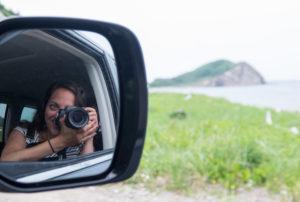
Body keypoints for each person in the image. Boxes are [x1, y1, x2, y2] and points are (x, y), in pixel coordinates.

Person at [0, 81, 99, 161]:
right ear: (44, 107)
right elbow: (5, 162)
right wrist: (62, 141)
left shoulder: (79, 141)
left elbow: (86, 171)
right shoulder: (25, 132)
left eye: (68, 110)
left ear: (78, 115)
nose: (58, 115)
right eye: (53, 107)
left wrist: (89, 134)